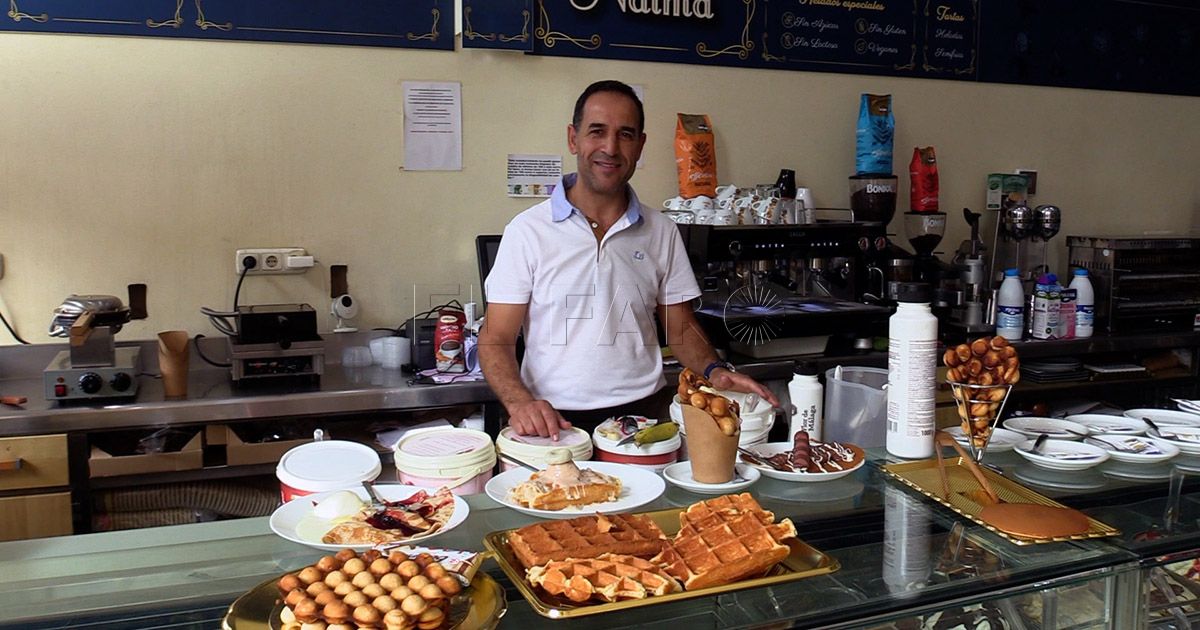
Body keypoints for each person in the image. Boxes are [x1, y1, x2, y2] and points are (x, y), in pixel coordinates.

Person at [479, 80, 777, 439]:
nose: (610, 147)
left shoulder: (661, 231)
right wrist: (519, 403)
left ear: (640, 145)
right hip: (552, 424)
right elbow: (496, 335)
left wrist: (714, 369)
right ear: (573, 138)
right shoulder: (528, 231)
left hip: (645, 421)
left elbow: (680, 327)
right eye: (597, 132)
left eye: (625, 134)